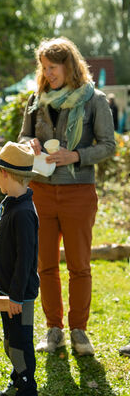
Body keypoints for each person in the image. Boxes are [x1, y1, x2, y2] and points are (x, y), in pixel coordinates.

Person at [18, 37, 116, 357]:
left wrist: (75, 156)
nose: (48, 74)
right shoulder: (37, 99)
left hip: (78, 192)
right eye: (44, 68)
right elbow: (24, 136)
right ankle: (53, 329)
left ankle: (79, 331)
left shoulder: (94, 100)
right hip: (41, 191)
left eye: (53, 68)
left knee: (79, 266)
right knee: (45, 265)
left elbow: (108, 146)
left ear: (69, 66)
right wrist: (29, 143)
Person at [0, 141, 39, 396]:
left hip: (21, 296)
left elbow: (26, 259)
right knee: (9, 340)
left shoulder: (25, 213)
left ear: (4, 173)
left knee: (21, 341)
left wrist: (16, 295)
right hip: (6, 291)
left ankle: (27, 387)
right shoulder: (7, 204)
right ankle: (17, 379)